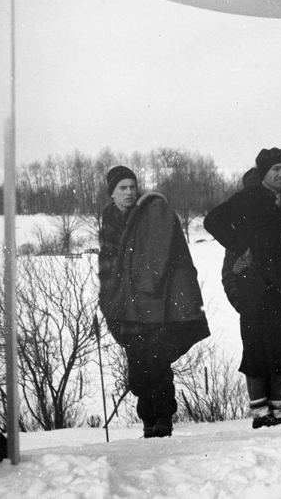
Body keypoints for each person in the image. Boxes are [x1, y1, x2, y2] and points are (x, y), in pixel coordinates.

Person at [204, 148, 281, 428]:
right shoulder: (246, 198)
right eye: (275, 170)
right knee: (257, 349)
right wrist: (240, 247)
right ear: (263, 173)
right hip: (256, 284)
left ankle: (280, 408)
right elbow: (213, 221)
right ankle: (260, 412)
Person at [98, 166, 210, 438]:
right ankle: (148, 419)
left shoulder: (153, 212)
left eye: (131, 186)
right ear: (111, 193)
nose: (128, 192)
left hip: (154, 303)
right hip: (125, 305)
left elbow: (159, 260)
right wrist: (107, 299)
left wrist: (149, 289)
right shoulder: (110, 219)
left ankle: (162, 418)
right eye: (122, 188)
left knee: (157, 360)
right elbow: (106, 265)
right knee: (137, 364)